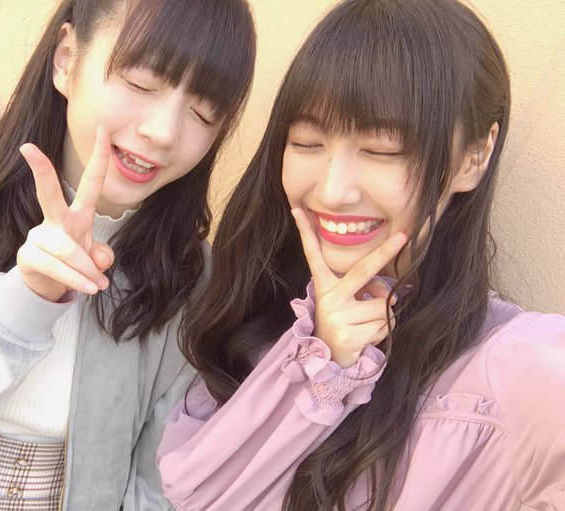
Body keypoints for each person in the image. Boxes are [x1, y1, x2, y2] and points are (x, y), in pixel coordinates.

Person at [157, 0, 565, 509]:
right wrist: (322, 366)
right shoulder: (268, 323)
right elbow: (193, 494)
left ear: (473, 157)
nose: (332, 191)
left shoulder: (518, 371)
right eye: (307, 142)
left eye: (382, 150)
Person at [0, 0, 255, 508]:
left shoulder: (191, 278)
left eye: (203, 112)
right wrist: (22, 302)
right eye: (142, 83)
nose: (164, 132)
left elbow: (160, 482)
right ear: (66, 59)